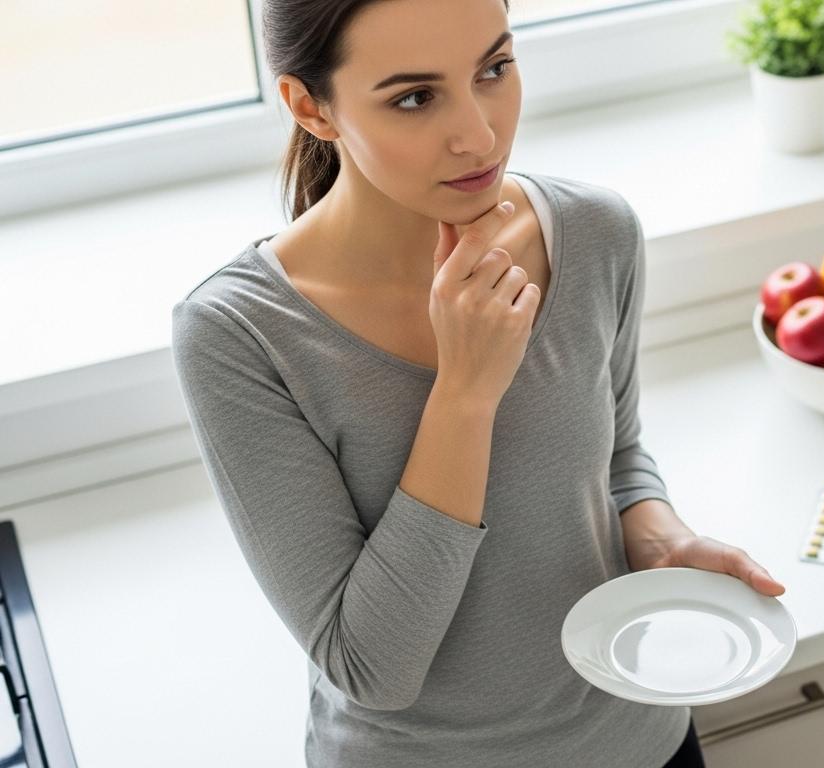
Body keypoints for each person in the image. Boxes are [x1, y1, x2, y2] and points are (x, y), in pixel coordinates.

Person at [168, 0, 786, 766]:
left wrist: (661, 539)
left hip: (642, 743)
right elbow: (371, 669)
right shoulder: (239, 333)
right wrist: (464, 392)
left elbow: (617, 458)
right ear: (310, 107)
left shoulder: (596, 232)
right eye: (414, 98)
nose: (480, 136)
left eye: (494, 68)